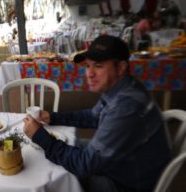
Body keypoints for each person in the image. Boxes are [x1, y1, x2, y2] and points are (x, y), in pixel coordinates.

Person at [23, 35, 172, 192]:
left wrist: (41, 137)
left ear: (121, 68)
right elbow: (92, 116)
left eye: (98, 66)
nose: (89, 73)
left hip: (128, 182)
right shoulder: (121, 88)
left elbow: (84, 165)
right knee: (71, 146)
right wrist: (53, 117)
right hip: (122, 161)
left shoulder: (126, 107)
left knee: (57, 181)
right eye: (88, 66)